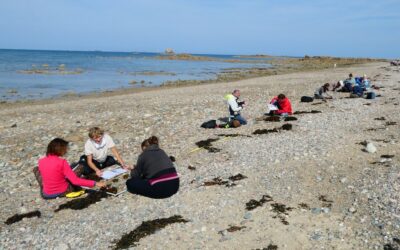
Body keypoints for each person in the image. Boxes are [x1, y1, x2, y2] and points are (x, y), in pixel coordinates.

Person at [33, 138, 106, 199]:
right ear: (60, 149)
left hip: (46, 195)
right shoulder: (62, 162)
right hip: (63, 192)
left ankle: (48, 187)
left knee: (36, 169)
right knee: (79, 167)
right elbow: (75, 181)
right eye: (65, 149)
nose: (66, 151)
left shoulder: (41, 161)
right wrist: (95, 183)